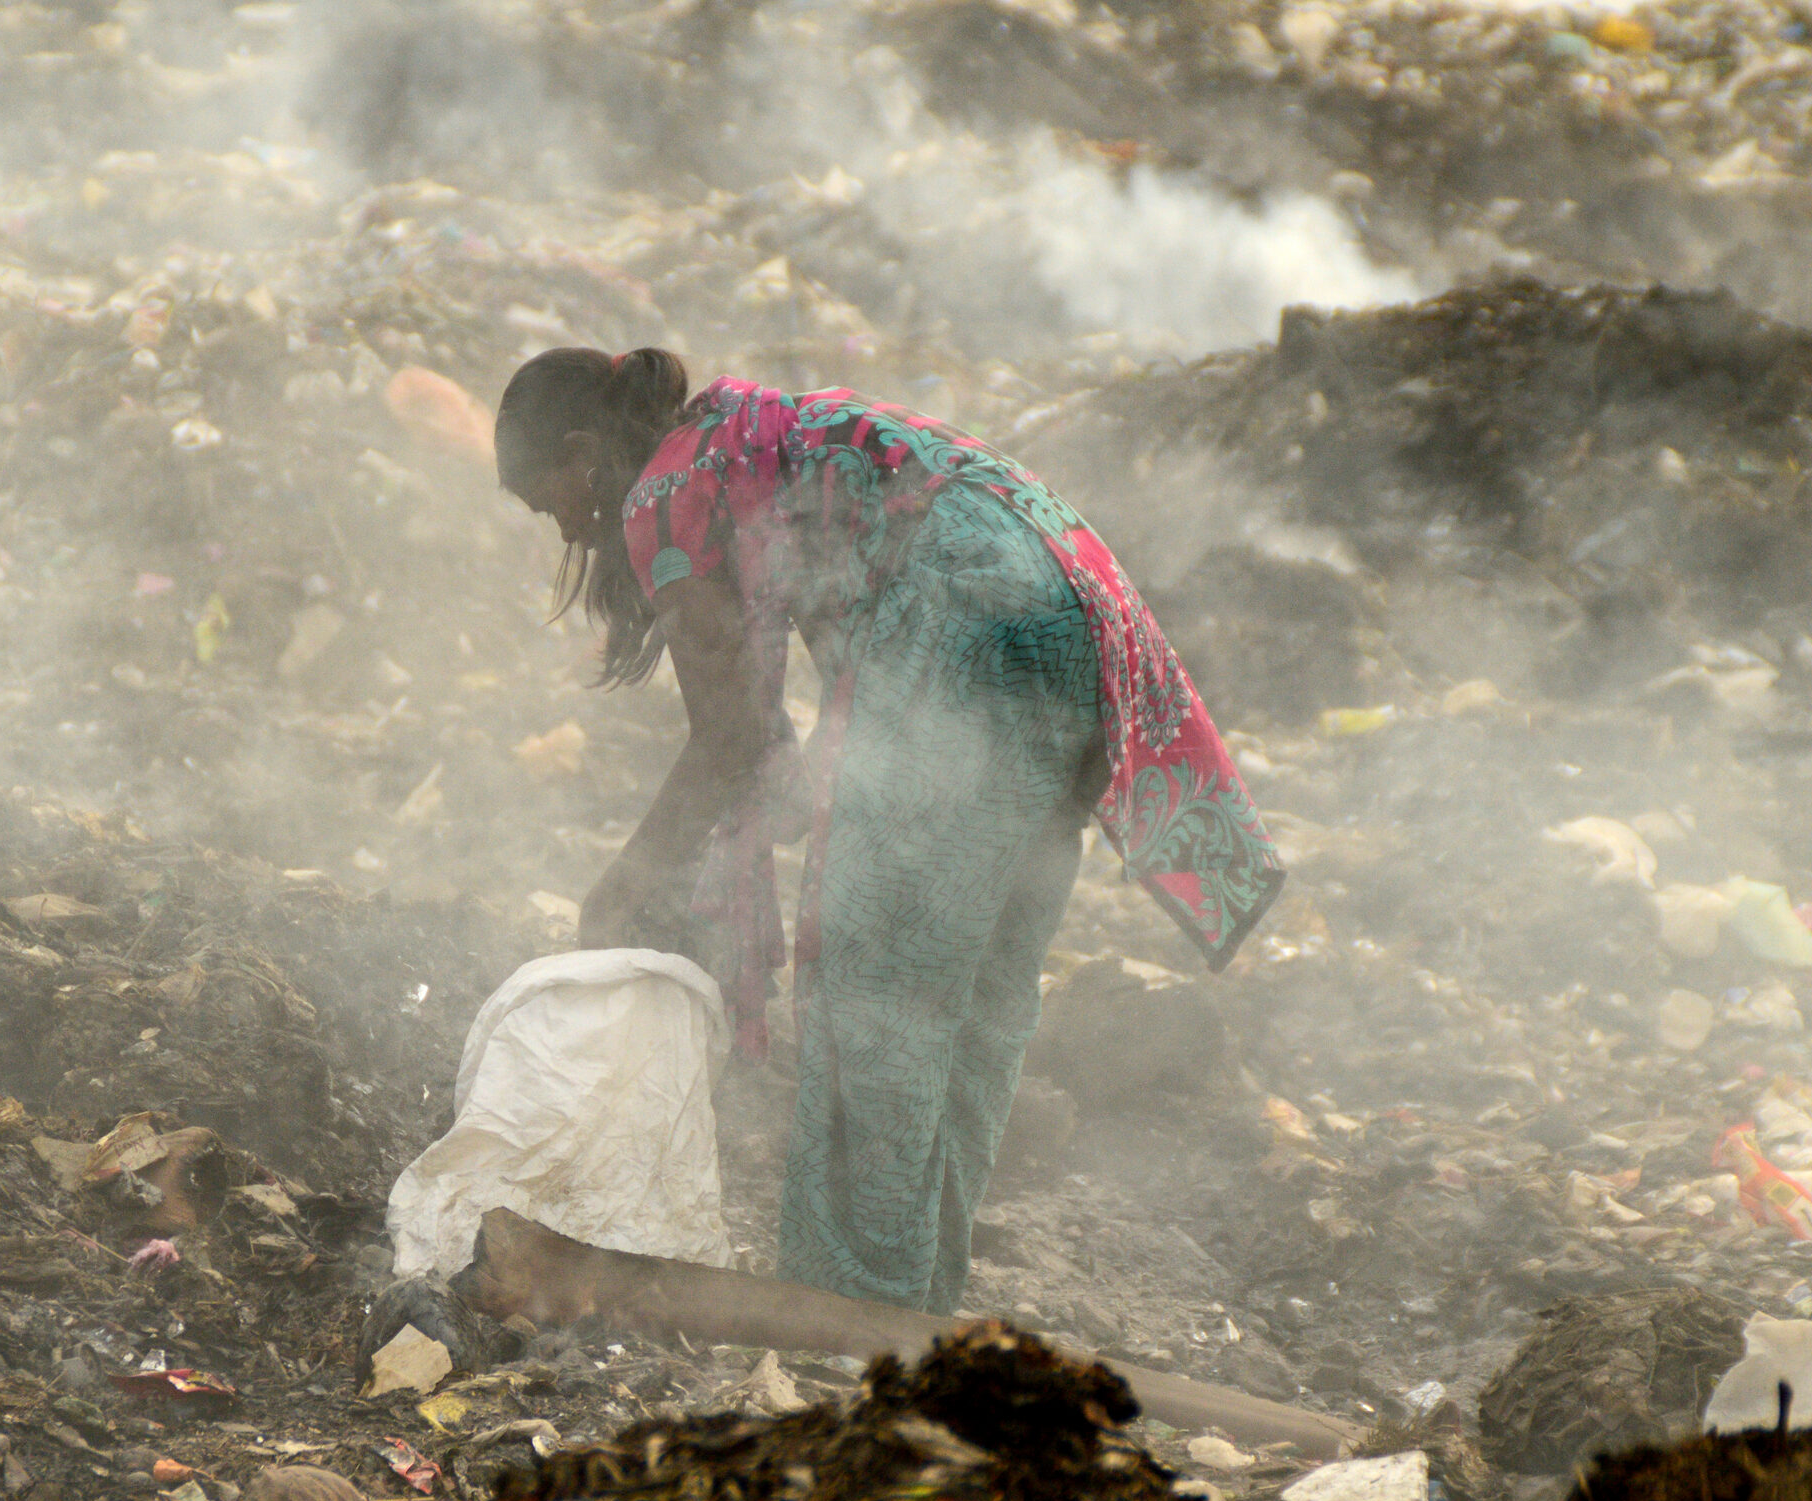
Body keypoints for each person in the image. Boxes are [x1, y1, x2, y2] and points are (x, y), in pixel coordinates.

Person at [492, 347, 1284, 1315]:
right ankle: (915, 1312)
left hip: (961, 628)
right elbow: (760, 737)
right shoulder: (746, 434)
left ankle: (850, 1315)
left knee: (870, 988)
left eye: (551, 503)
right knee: (968, 996)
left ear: (582, 453)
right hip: (1075, 616)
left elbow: (733, 733)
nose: (570, 528)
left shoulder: (666, 490)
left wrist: (621, 886)